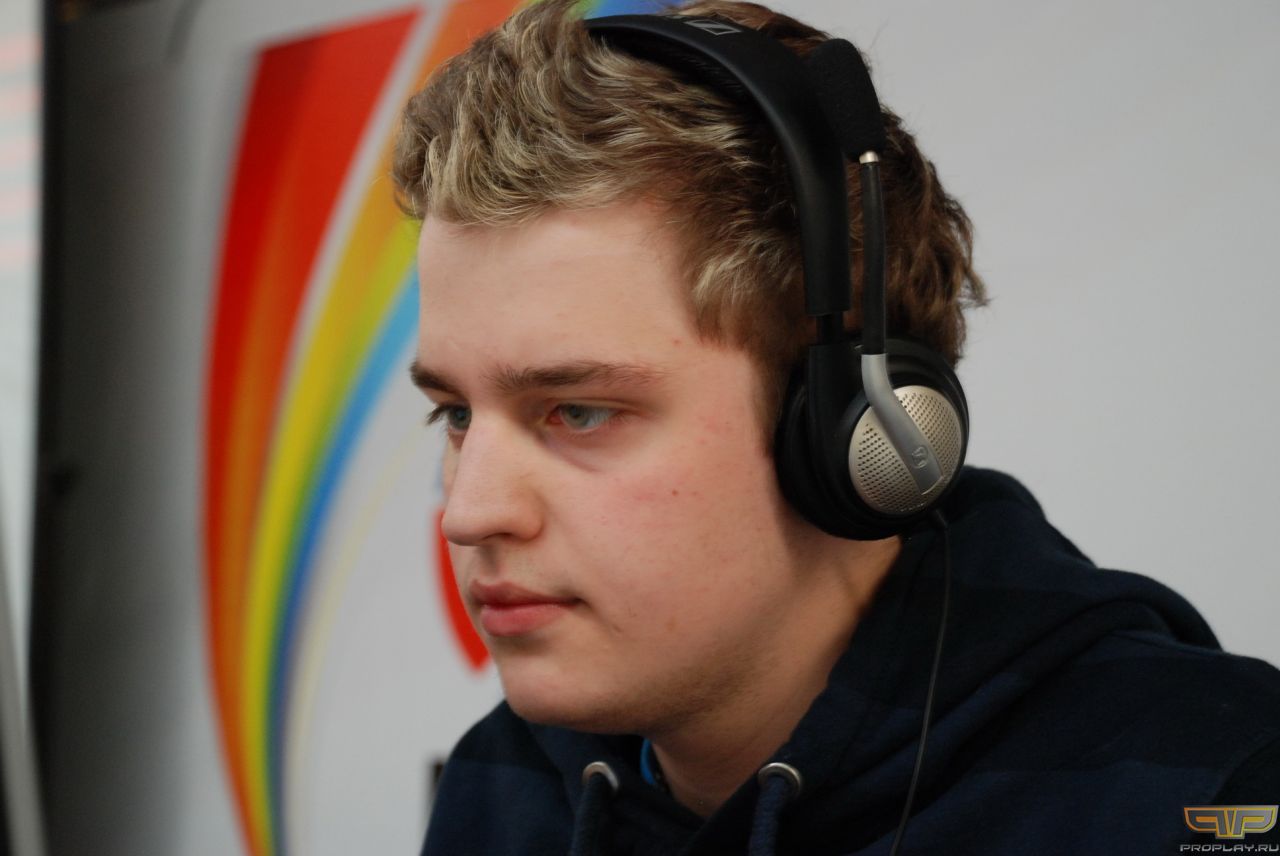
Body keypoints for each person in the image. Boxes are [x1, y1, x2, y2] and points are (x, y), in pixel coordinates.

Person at [393, 1, 1280, 853]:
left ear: (851, 432)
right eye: (457, 413)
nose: (468, 514)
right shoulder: (502, 787)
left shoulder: (1207, 789)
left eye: (579, 411)